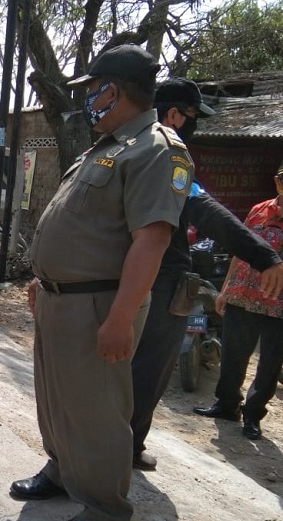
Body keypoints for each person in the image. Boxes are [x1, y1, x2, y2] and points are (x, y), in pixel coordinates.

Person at [9, 45, 193, 521]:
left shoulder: (157, 149)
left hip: (99, 306)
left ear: (114, 88)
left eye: (92, 88)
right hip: (59, 299)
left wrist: (120, 317)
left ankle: (107, 509)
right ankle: (63, 471)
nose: (88, 97)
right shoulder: (108, 145)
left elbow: (150, 240)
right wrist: (45, 278)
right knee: (57, 396)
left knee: (96, 408)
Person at [130, 78, 283, 470]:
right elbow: (206, 211)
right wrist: (263, 255)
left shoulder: (122, 148)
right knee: (148, 370)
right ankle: (125, 448)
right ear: (174, 115)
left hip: (116, 277)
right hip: (161, 281)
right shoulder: (170, 157)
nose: (192, 126)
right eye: (193, 117)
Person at [193, 166, 283, 439]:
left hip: (278, 303)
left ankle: (253, 414)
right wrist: (226, 289)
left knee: (269, 363)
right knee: (233, 354)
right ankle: (227, 404)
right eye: (281, 179)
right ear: (277, 182)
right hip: (241, 295)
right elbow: (239, 250)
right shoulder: (259, 210)